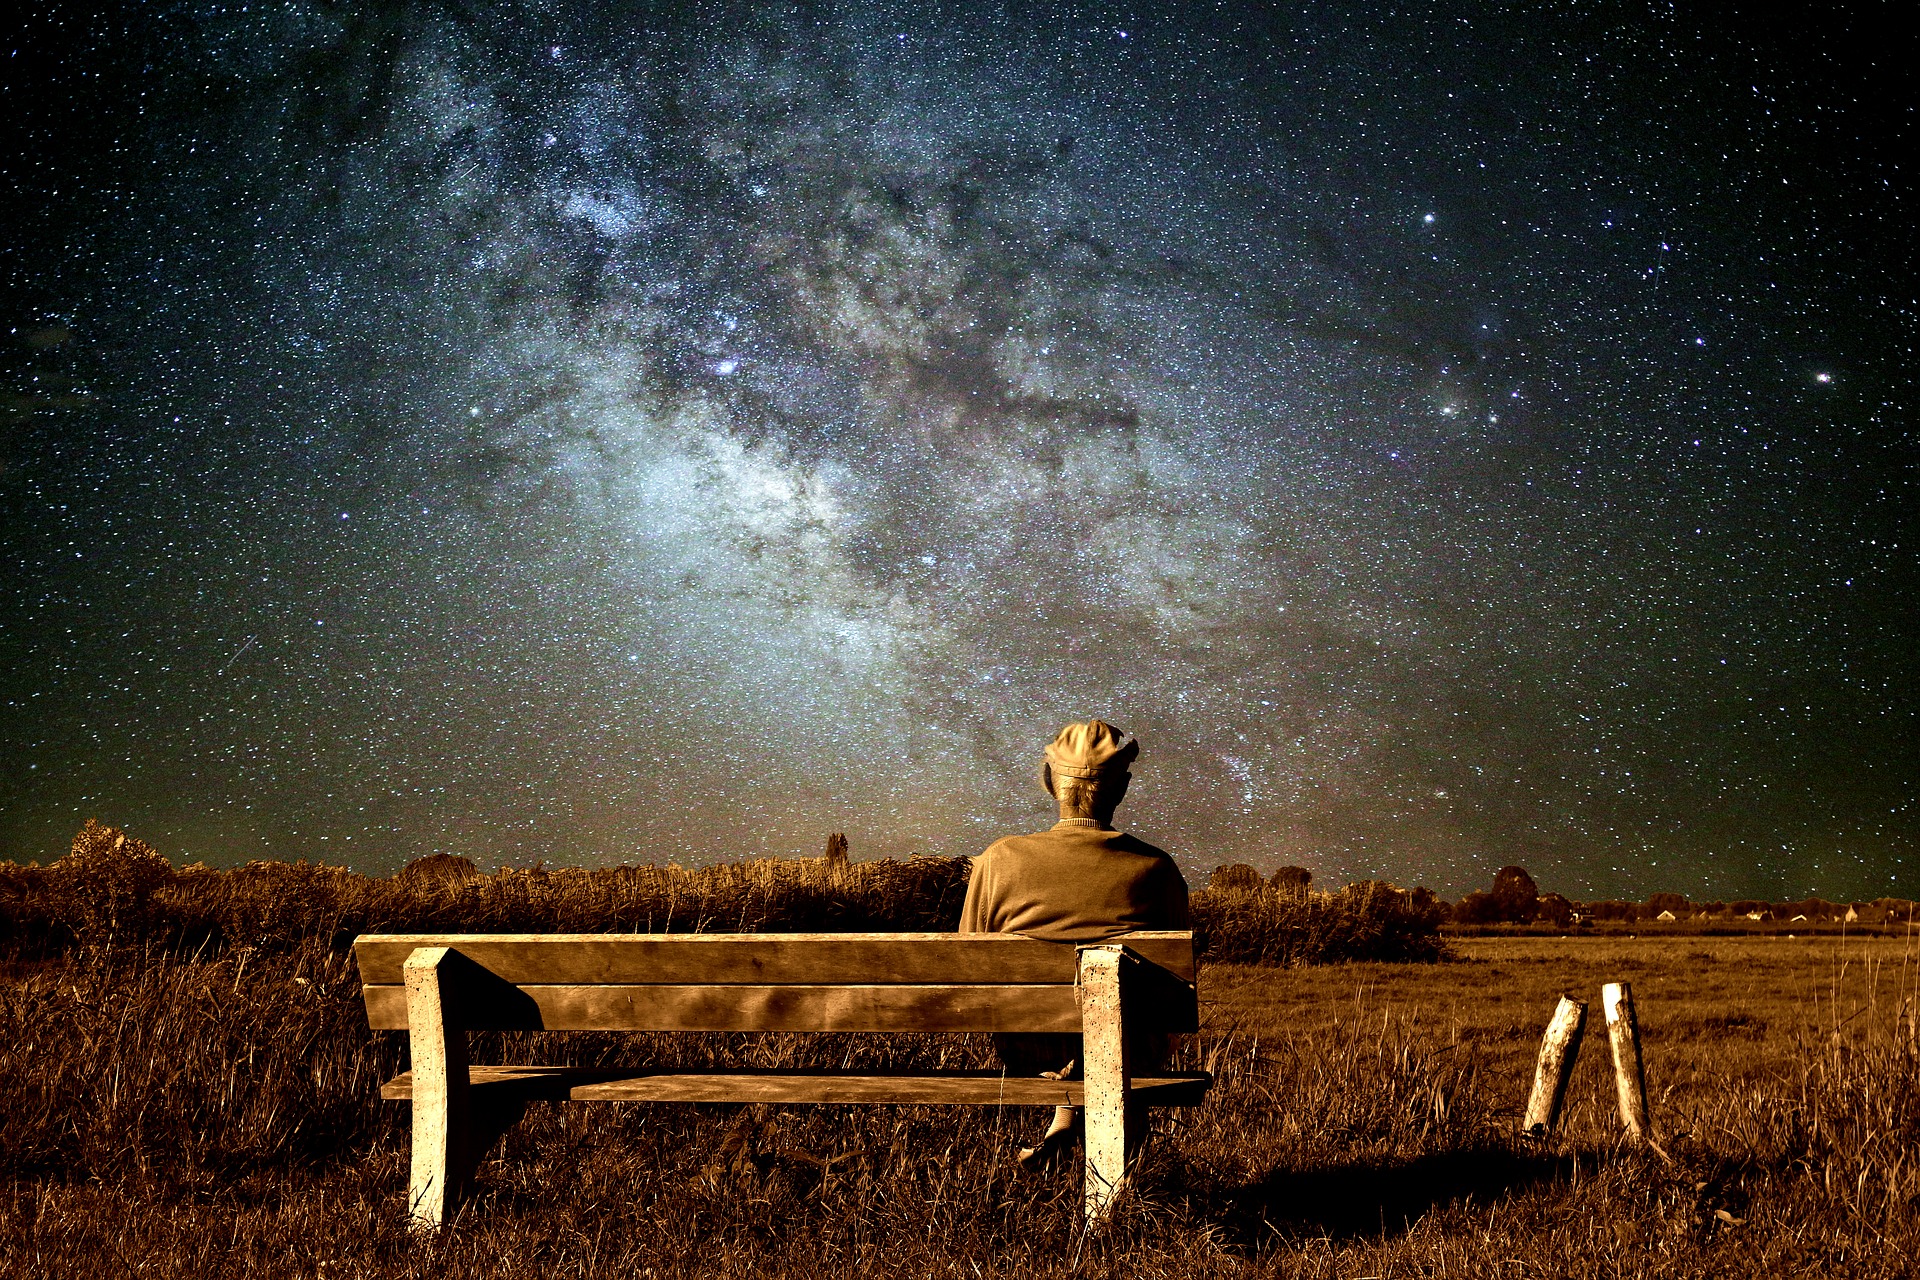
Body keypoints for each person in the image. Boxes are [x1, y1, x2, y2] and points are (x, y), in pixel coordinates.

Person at [958, 719, 1190, 1169]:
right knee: (1131, 1024)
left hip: (1026, 1048)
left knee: (1069, 1028)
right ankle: (1118, 1190)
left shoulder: (998, 860)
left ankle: (1064, 1123)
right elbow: (1177, 987)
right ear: (1121, 789)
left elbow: (968, 963)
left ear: (1050, 783)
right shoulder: (1156, 869)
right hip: (1129, 1045)